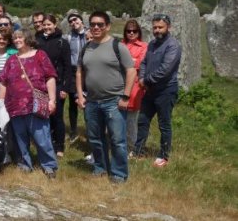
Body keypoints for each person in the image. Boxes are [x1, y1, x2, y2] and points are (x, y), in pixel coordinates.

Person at [76, 11, 136, 183]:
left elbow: (131, 71)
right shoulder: (86, 47)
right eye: (93, 24)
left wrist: (125, 96)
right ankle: (100, 168)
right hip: (92, 101)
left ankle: (118, 173)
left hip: (114, 101)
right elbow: (79, 72)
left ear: (107, 26)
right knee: (95, 138)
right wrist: (80, 95)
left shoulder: (118, 46)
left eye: (100, 24)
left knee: (117, 139)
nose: (96, 27)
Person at [0, 29, 58, 178]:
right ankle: (25, 164)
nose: (17, 40)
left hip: (36, 104)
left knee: (42, 137)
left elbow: (50, 77)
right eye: (15, 38)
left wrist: (52, 100)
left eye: (20, 37)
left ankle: (49, 166)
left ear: (28, 39)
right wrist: (0, 102)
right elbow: (3, 82)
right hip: (14, 106)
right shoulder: (11, 59)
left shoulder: (40, 55)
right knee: (20, 139)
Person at [133, 14, 181, 168]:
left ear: (168, 27)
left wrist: (145, 80)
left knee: (164, 124)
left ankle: (163, 155)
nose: (157, 30)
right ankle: (138, 151)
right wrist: (142, 77)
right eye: (155, 27)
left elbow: (165, 70)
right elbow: (144, 63)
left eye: (160, 27)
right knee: (142, 121)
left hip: (166, 91)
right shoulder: (152, 44)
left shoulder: (173, 45)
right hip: (150, 90)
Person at [37, 14, 72, 157]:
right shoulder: (38, 41)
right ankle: (48, 142)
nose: (46, 27)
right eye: (44, 25)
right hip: (40, 84)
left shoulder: (62, 42)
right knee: (43, 115)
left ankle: (60, 146)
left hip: (57, 84)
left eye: (49, 24)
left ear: (55, 24)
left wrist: (65, 88)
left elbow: (67, 67)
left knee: (57, 115)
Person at [121, 19, 147, 153]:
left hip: (135, 87)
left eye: (134, 31)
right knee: (118, 118)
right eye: (128, 31)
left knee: (131, 119)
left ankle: (133, 147)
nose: (131, 33)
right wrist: (132, 60)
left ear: (138, 32)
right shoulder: (120, 44)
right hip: (118, 84)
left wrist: (127, 61)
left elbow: (140, 64)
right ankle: (120, 145)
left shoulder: (143, 46)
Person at [65, 12, 88, 142]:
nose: (74, 22)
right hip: (74, 71)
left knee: (88, 100)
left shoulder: (90, 33)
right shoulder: (69, 36)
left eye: (75, 20)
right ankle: (73, 130)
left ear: (81, 20)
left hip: (89, 70)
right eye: (71, 22)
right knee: (73, 102)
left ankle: (89, 130)